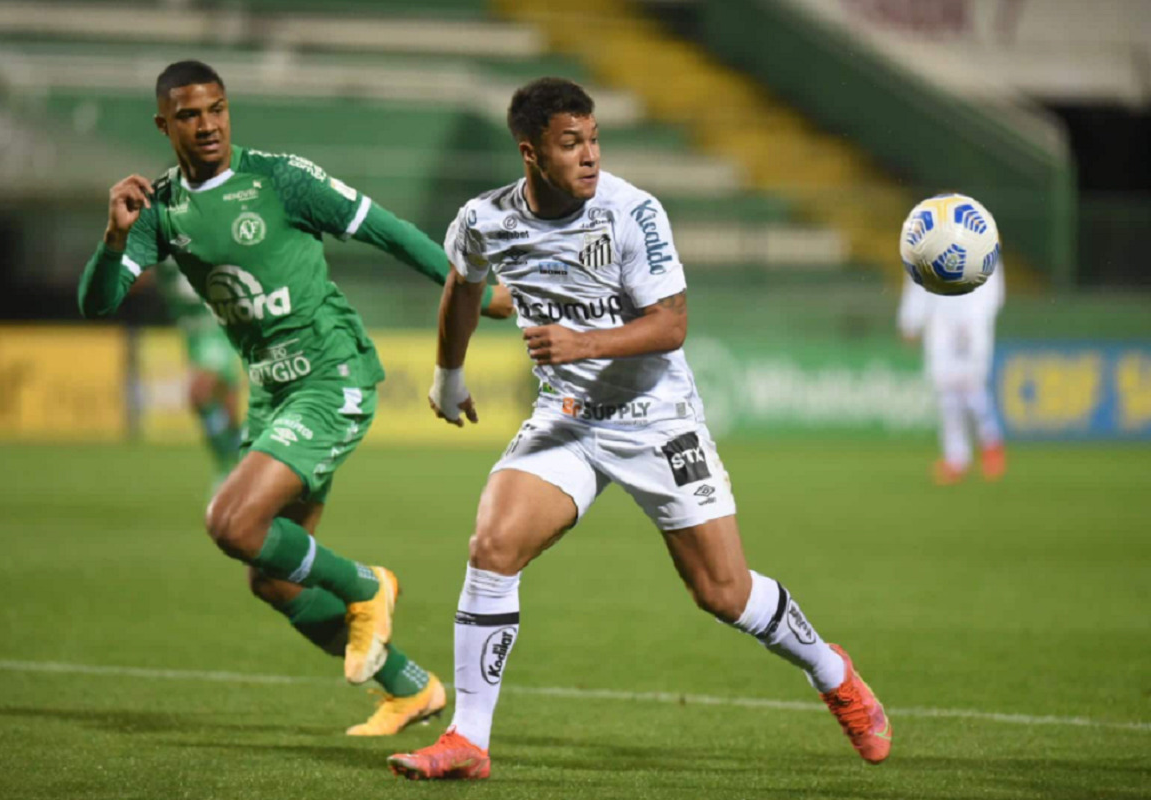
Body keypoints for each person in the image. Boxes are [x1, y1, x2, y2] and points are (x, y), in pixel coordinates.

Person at [387, 77, 891, 781]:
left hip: (657, 420)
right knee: (493, 546)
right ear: (531, 154)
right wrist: (448, 373)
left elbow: (671, 324)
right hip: (567, 418)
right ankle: (469, 741)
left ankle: (831, 671)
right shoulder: (485, 218)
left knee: (723, 592)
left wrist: (580, 345)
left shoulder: (632, 213)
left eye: (594, 140)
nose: (590, 156)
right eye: (572, 145)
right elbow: (462, 286)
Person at [77, 60, 513, 735]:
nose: (208, 124)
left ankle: (367, 586)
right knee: (272, 577)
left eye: (217, 109)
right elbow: (97, 303)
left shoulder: (279, 180)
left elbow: (385, 229)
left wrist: (476, 291)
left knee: (231, 522)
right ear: (164, 124)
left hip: (329, 375)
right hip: (272, 394)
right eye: (190, 115)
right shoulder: (158, 207)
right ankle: (410, 688)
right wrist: (112, 239)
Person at [898, 259, 1007, 484]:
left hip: (971, 323)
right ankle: (956, 458)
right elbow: (919, 277)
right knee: (946, 392)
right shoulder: (928, 234)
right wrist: (910, 320)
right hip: (940, 325)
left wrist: (979, 315)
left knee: (973, 388)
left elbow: (993, 281)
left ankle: (991, 445)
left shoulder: (979, 231)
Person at [145, 260, 244, 490]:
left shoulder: (197, 233)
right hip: (193, 332)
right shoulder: (156, 241)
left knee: (198, 392)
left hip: (217, 326)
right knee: (227, 407)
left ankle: (226, 469)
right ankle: (240, 464)